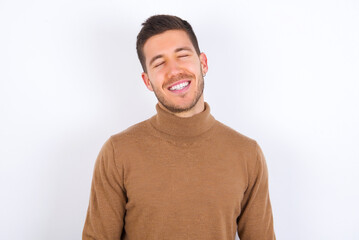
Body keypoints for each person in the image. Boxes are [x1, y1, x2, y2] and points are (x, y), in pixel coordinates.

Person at [82, 14, 275, 240]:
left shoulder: (247, 154)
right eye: (159, 63)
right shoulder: (117, 152)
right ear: (147, 81)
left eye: (182, 56)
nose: (174, 71)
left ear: (203, 63)